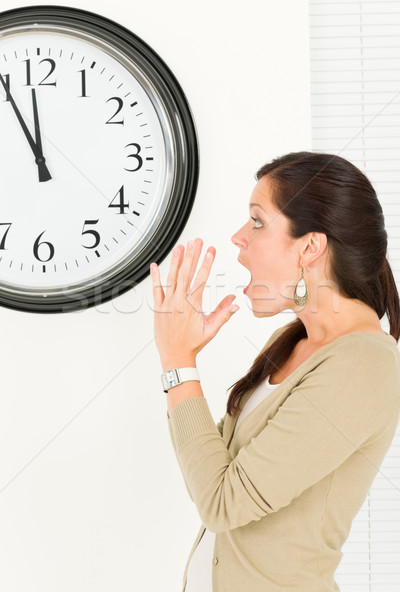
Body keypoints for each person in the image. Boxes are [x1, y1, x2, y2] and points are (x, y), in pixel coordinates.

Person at [150, 151, 400, 592]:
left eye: (257, 221)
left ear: (310, 246)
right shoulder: (289, 343)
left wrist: (178, 362)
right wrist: (179, 358)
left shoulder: (364, 364)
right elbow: (210, 476)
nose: (238, 237)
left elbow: (222, 504)